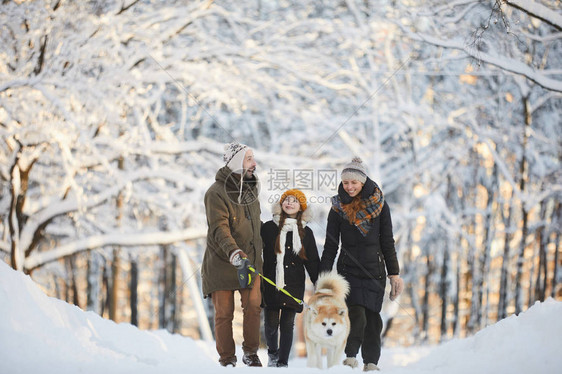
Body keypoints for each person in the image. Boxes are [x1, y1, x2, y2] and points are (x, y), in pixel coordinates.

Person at [320, 157, 404, 372]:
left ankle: (371, 362)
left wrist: (394, 274)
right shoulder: (338, 208)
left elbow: (387, 241)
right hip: (348, 272)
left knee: (373, 319)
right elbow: (331, 245)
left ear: (363, 182)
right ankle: (349, 357)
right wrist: (324, 277)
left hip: (375, 271)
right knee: (355, 313)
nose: (349, 187)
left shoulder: (380, 205)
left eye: (354, 183)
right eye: (346, 183)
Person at [201, 141, 263, 367]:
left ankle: (251, 354)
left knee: (254, 307)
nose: (254, 164)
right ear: (236, 162)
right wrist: (234, 252)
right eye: (249, 159)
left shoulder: (252, 189)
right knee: (224, 314)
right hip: (222, 262)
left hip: (251, 262)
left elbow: (254, 225)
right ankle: (227, 360)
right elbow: (219, 228)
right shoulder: (215, 193)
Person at [261, 189, 320, 368]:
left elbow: (312, 260)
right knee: (271, 323)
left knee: (287, 324)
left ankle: (282, 362)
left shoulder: (306, 232)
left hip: (294, 284)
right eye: (287, 200)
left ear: (301, 207)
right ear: (281, 204)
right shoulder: (269, 228)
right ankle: (272, 352)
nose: (290, 203)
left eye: (295, 201)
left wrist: (319, 282)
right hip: (271, 282)